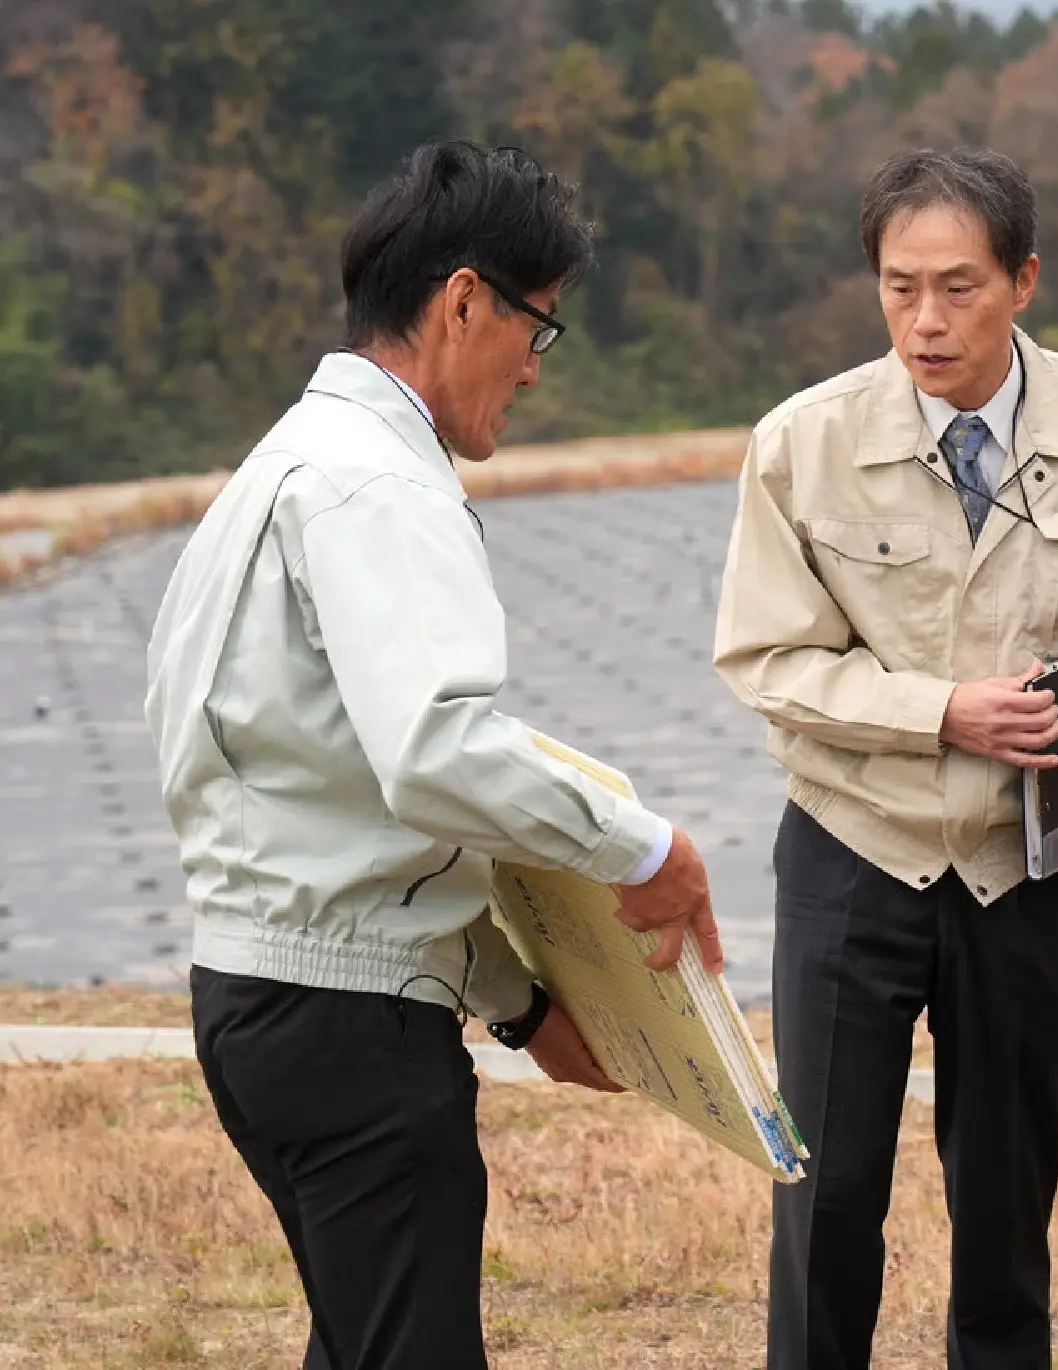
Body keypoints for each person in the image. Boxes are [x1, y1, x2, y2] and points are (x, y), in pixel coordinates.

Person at [143, 141, 723, 1370]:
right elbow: (433, 751)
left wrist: (517, 1004)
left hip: (259, 996)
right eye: (538, 329)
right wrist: (643, 845)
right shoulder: (377, 486)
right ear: (464, 300)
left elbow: (342, 794)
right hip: (349, 1035)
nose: (533, 368)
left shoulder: (277, 471)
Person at [713, 146, 1058, 1369]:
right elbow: (767, 660)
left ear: (1024, 279)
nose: (925, 320)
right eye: (898, 288)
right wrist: (939, 710)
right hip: (854, 852)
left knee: (1005, 1194)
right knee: (827, 1190)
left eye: (957, 286)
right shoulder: (802, 442)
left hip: (1028, 865)